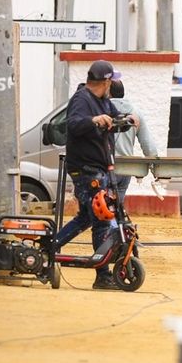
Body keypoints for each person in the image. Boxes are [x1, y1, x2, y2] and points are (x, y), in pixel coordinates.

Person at [53, 60, 138, 290]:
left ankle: (51, 248)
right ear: (106, 81)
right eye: (113, 80)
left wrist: (128, 119)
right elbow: (74, 125)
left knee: (87, 217)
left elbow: (115, 118)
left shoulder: (103, 101)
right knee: (101, 217)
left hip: (99, 168)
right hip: (85, 168)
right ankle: (102, 276)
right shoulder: (82, 99)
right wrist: (93, 121)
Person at [108, 79, 160, 206]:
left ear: (108, 92)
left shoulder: (101, 110)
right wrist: (155, 167)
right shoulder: (135, 113)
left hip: (105, 165)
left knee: (102, 209)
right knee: (117, 208)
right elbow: (148, 144)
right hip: (126, 167)